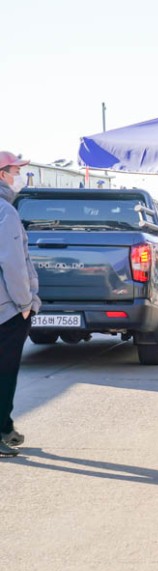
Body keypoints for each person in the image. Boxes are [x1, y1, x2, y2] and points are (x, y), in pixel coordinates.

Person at [0, 152, 39, 457]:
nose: (21, 176)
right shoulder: (5, 212)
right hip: (6, 309)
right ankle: (2, 432)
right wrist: (25, 303)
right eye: (16, 170)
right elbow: (13, 264)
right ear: (3, 174)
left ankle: (6, 427)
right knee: (5, 372)